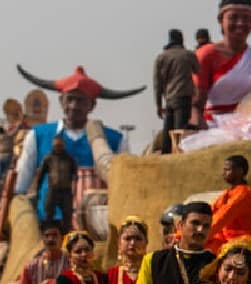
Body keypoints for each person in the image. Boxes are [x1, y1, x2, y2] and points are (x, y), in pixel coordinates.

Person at [14, 65, 138, 221]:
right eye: (69, 99)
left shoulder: (116, 140)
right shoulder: (38, 136)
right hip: (50, 226)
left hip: (97, 229)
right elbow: (20, 186)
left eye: (80, 100)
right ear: (61, 101)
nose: (73, 106)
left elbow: (125, 186)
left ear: (92, 105)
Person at [194, 0, 251, 125]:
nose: (240, 23)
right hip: (214, 126)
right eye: (233, 17)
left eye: (246, 18)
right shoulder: (206, 54)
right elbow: (195, 105)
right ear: (221, 20)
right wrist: (198, 130)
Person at [207, 155, 251, 254]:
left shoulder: (244, 194)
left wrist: (200, 234)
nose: (223, 173)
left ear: (240, 171)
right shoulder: (227, 194)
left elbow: (222, 217)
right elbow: (208, 213)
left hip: (242, 241)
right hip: (225, 239)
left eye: (227, 170)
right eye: (224, 170)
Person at [155, 28, 199, 154]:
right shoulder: (188, 54)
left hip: (169, 98)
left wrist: (158, 105)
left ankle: (165, 154)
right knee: (180, 130)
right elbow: (197, 70)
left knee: (167, 128)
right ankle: (178, 156)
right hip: (183, 97)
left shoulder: (161, 57)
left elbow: (157, 84)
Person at [32, 135, 78, 228]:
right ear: (53, 146)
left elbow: (75, 174)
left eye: (59, 145)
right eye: (56, 146)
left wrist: (74, 188)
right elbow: (40, 175)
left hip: (66, 191)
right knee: (48, 214)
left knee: (67, 216)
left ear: (63, 145)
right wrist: (37, 190)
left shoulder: (69, 159)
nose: (57, 148)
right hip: (53, 190)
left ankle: (66, 237)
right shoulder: (48, 158)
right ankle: (48, 234)